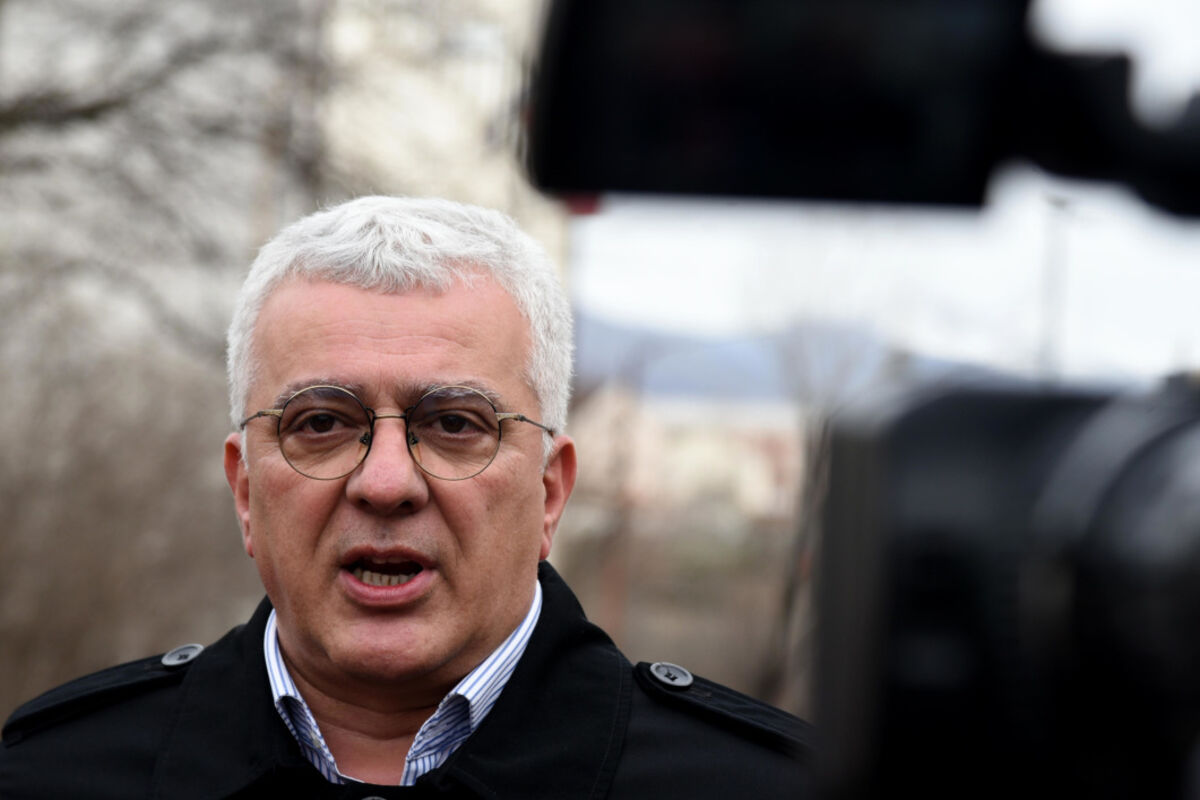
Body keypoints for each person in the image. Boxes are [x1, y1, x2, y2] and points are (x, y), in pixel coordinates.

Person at [0, 196, 811, 797]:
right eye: (321, 422)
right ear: (245, 491)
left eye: (455, 424)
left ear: (549, 491)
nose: (386, 483)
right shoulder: (50, 775)